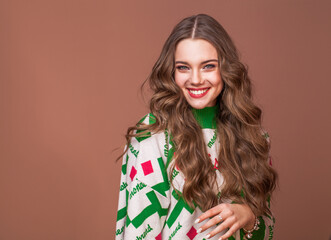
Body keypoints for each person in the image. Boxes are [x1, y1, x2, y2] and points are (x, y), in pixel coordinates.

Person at [115, 13, 278, 240]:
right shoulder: (153, 135)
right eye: (183, 67)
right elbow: (139, 232)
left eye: (208, 66)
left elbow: (266, 232)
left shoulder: (253, 135)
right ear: (171, 71)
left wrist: (248, 216)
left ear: (226, 68)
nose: (196, 79)